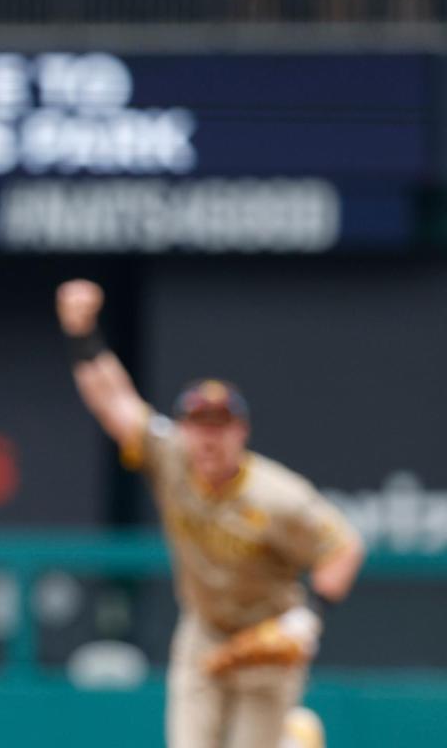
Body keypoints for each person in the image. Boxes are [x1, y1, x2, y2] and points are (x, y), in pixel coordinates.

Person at [54, 279, 365, 748]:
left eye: (221, 426)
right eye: (199, 425)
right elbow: (113, 401)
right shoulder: (171, 457)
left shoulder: (276, 495)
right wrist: (82, 335)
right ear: (184, 429)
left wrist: (306, 620)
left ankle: (293, 737)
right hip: (204, 631)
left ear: (242, 432)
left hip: (266, 640)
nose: (209, 438)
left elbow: (343, 547)